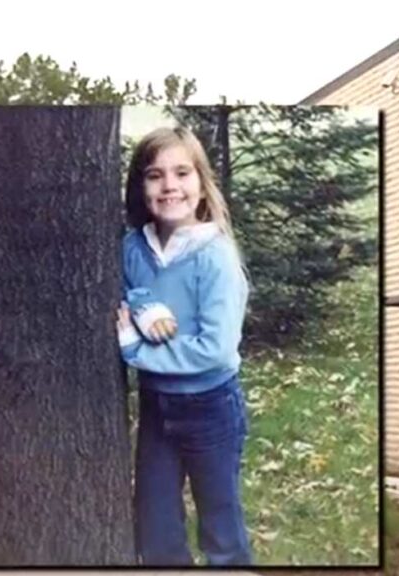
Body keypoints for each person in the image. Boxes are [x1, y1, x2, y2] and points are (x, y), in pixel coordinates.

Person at [116, 125, 251, 566]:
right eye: (155, 175)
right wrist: (147, 304)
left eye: (182, 173)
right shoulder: (134, 246)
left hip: (211, 406)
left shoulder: (216, 256)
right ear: (140, 185)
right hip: (158, 407)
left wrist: (139, 352)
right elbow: (127, 289)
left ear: (201, 182)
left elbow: (214, 347)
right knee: (155, 528)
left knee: (221, 529)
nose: (169, 186)